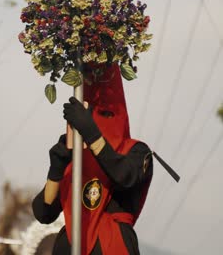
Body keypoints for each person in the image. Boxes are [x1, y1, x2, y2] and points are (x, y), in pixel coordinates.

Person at [32, 64, 153, 255]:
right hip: (71, 243)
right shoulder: (77, 158)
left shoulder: (136, 151)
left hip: (113, 244)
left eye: (106, 114)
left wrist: (91, 133)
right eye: (92, 116)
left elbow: (123, 176)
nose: (99, 122)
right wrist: (56, 169)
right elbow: (43, 212)